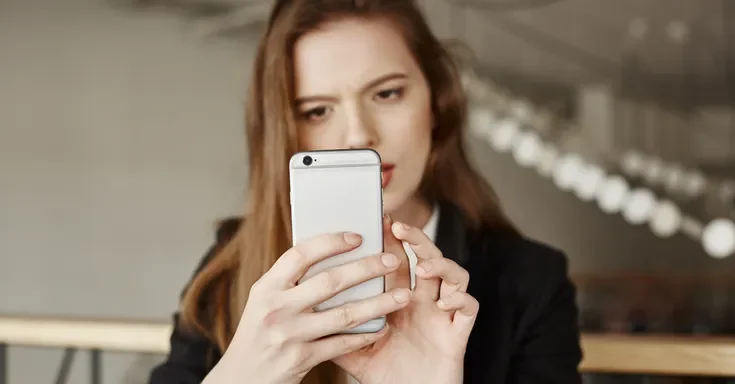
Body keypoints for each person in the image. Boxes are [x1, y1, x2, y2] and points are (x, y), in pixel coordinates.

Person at [149, 0, 582, 383]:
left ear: (437, 102)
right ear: (285, 131)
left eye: (387, 93)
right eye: (317, 111)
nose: (357, 135)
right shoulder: (232, 265)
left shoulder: (530, 280)